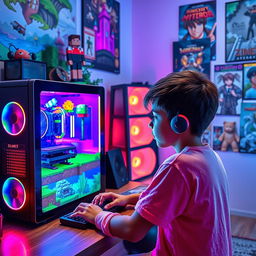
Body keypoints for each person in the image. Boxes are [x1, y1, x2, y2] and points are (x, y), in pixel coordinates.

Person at [71, 70, 232, 256]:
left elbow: (132, 230)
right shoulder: (209, 157)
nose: (149, 125)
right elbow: (178, 201)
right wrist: (130, 199)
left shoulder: (178, 165)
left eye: (155, 117)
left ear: (178, 123)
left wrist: (97, 215)